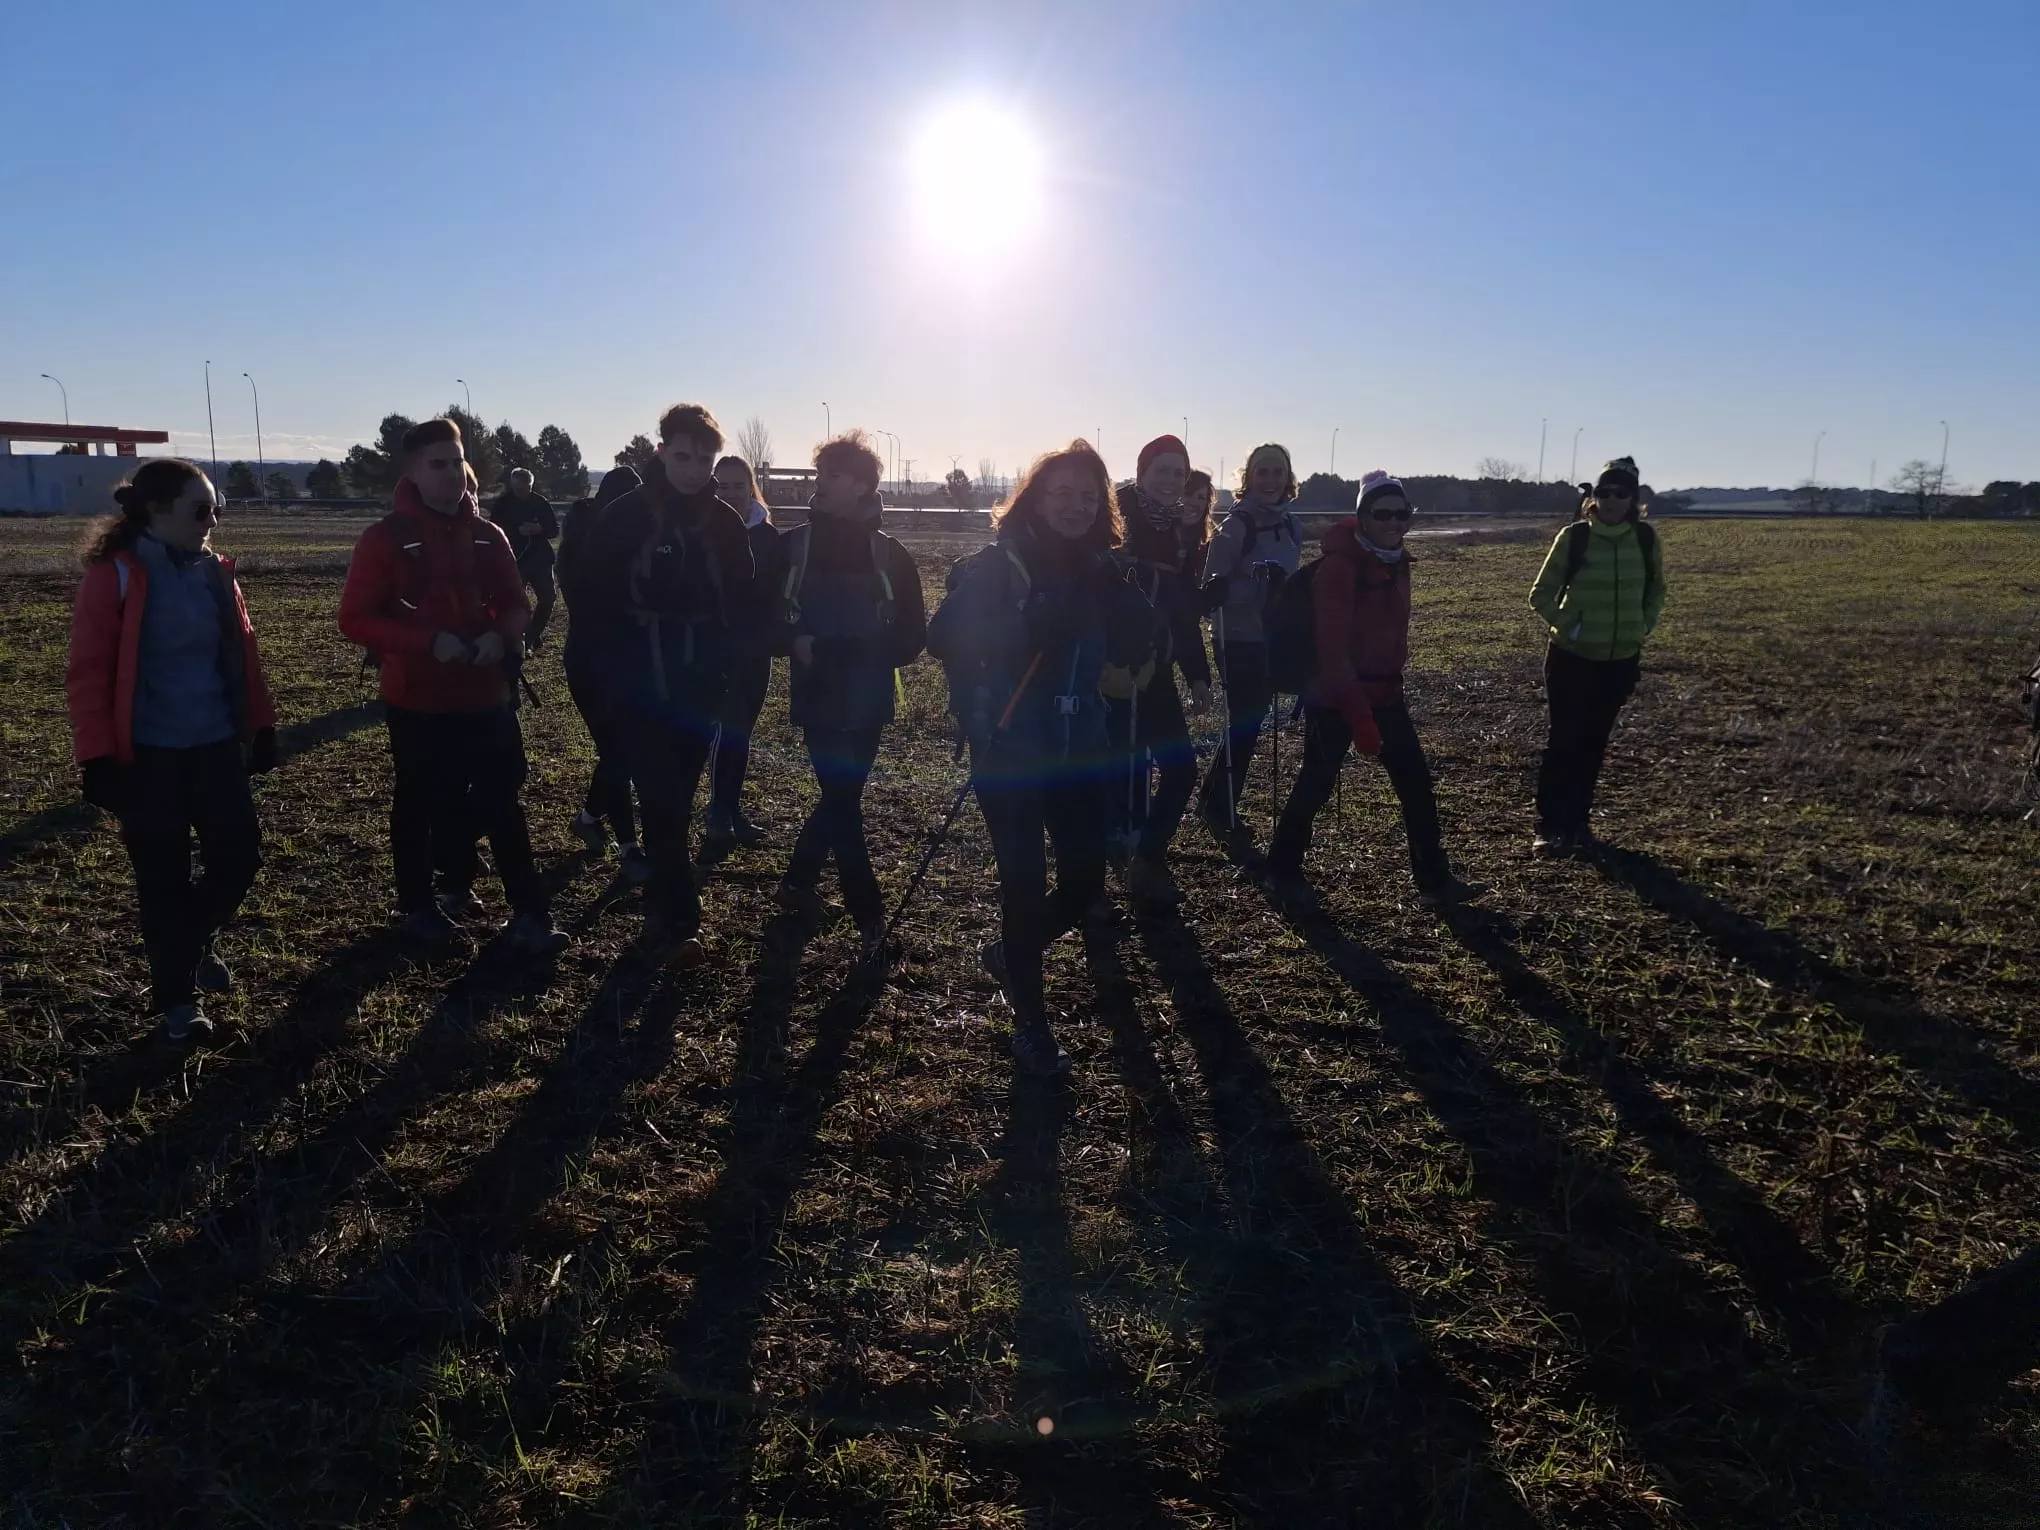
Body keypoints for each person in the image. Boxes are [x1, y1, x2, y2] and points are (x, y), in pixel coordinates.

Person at [927, 439, 1159, 1076]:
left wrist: (1144, 625)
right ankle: (1031, 1022)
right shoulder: (998, 565)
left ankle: (1011, 952)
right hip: (1010, 749)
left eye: (1090, 496)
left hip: (1081, 749)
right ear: (1036, 496)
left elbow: (1141, 631)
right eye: (1063, 493)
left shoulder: (1103, 568)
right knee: (1024, 882)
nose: (1077, 506)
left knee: (1084, 880)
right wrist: (1024, 630)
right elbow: (941, 635)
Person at [66, 459, 278, 1040]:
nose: (212, 522)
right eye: (200, 511)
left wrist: (260, 727)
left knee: (239, 858)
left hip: (213, 745)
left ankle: (191, 941)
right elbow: (87, 673)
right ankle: (178, 1005)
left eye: (216, 510)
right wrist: (97, 757)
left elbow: (244, 657)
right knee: (162, 878)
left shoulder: (217, 574)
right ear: (155, 512)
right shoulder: (112, 576)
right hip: (148, 756)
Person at [337, 418, 567, 952]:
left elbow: (516, 604)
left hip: (487, 695)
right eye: (436, 465)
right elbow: (354, 619)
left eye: (457, 463)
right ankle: (420, 907)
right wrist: (427, 641)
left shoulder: (490, 535)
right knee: (418, 801)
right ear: (412, 473)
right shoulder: (382, 540)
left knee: (503, 800)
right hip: (417, 700)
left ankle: (530, 913)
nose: (451, 476)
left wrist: (502, 635)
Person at [568, 403, 756, 967]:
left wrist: (731, 673)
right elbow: (589, 599)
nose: (694, 469)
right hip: (638, 685)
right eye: (683, 456)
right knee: (663, 800)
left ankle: (662, 908)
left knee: (675, 800)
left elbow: (742, 603)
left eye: (704, 459)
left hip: (700, 689)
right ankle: (678, 923)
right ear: (661, 452)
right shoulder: (624, 517)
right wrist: (609, 675)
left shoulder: (724, 522)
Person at [1264, 471, 1483, 908]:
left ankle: (1435, 882)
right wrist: (1359, 715)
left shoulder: (1396, 562)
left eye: (1402, 513)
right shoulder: (1341, 569)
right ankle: (1280, 871)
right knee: (1316, 784)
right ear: (1362, 516)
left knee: (1416, 784)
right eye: (1382, 513)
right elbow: (1330, 647)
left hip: (1386, 695)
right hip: (1336, 697)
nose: (1394, 521)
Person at [768, 430, 927, 955]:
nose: (821, 483)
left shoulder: (890, 554)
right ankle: (869, 916)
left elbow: (912, 637)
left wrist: (866, 653)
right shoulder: (791, 546)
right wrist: (796, 642)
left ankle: (795, 884)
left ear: (862, 485)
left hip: (868, 698)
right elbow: (758, 618)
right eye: (821, 473)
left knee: (842, 798)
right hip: (816, 693)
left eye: (833, 475)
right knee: (842, 801)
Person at [1528, 456, 1667, 855]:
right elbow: (1540, 594)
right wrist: (1570, 626)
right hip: (1571, 657)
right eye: (1604, 492)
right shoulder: (1574, 538)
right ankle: (1549, 826)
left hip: (1620, 659)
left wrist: (1642, 625)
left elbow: (1657, 589)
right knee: (1563, 741)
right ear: (1594, 496)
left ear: (1633, 499)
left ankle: (1579, 823)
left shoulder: (1645, 540)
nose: (1610, 499)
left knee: (1594, 743)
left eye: (1620, 493)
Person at [1108, 434, 1213, 906]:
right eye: (1162, 470)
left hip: (1161, 670)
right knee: (1120, 772)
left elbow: (1184, 608)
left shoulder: (1183, 532)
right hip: (1113, 669)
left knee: (1181, 769)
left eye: (1179, 472)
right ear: (1142, 471)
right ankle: (1115, 858)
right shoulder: (1114, 516)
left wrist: (1198, 673)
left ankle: (1146, 854)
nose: (1171, 480)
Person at [1196, 442, 1302, 850]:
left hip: (1271, 636)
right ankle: (1218, 807)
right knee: (1244, 722)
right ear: (1248, 477)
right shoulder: (1237, 524)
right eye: (1263, 471)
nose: (1270, 480)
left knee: (1248, 724)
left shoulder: (1292, 524)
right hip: (1236, 637)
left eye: (1278, 472)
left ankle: (1215, 802)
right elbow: (1213, 590)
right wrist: (1255, 586)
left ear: (1288, 478)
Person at [558, 464, 649, 882]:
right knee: (620, 752)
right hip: (596, 661)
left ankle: (590, 817)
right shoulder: (593, 547)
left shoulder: (595, 538)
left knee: (621, 751)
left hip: (610, 659)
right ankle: (629, 845)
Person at [700, 453, 783, 861]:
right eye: (724, 484)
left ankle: (730, 808)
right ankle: (717, 811)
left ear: (750, 487)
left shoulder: (767, 536)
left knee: (742, 731)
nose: (731, 492)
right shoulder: (700, 528)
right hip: (716, 647)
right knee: (725, 729)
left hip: (755, 648)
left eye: (738, 485)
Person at [488, 467, 560, 652]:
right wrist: (515, 532)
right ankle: (517, 640)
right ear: (512, 484)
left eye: (525, 488)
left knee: (548, 598)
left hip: (540, 560)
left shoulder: (540, 502)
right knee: (515, 603)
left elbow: (554, 530)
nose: (522, 492)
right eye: (518, 488)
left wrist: (539, 530)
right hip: (514, 560)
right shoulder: (503, 504)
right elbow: (494, 531)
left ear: (531, 485)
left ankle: (532, 635)